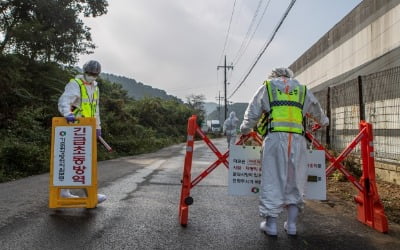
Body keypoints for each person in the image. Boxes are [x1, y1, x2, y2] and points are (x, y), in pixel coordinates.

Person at [240, 67, 329, 236]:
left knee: (273, 179)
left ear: (273, 76)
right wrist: (324, 121)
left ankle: (271, 225)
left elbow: (252, 112)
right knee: (295, 181)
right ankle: (292, 225)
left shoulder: (267, 87)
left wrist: (245, 129)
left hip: (274, 139)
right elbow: (318, 111)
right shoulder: (302, 90)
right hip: (298, 140)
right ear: (289, 76)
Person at [58, 60, 107, 204]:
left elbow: (94, 109)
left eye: (95, 74)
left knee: (83, 161)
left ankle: (85, 193)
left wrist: (98, 127)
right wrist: (67, 113)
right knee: (76, 160)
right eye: (91, 73)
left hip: (88, 128)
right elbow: (64, 100)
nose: (93, 76)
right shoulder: (76, 84)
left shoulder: (95, 88)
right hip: (75, 127)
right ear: (85, 71)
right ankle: (69, 192)